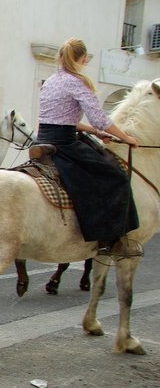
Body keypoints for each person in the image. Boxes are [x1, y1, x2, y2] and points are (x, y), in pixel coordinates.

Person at [36, 37, 138, 254]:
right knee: (116, 177)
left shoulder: (51, 81)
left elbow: (67, 119)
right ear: (82, 59)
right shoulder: (77, 82)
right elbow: (100, 119)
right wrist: (126, 138)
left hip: (43, 139)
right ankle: (110, 239)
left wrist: (95, 133)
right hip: (65, 144)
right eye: (84, 60)